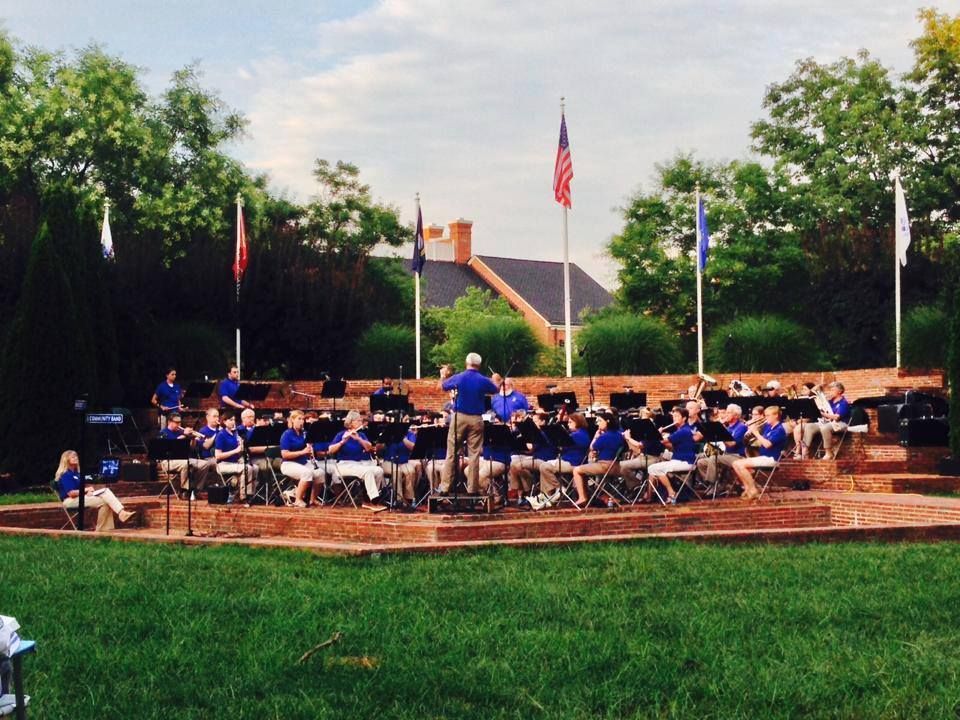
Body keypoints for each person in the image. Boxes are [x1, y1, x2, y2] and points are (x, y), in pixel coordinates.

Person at [438, 354, 499, 495]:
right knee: (474, 455)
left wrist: (442, 375)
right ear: (479, 365)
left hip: (460, 417)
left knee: (451, 452)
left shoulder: (460, 377)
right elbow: (495, 389)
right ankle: (472, 489)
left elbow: (444, 386)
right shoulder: (483, 380)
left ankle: (445, 487)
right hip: (477, 418)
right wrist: (496, 380)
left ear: (467, 363)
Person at [54, 450, 135, 532]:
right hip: (70, 501)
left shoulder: (76, 473)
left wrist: (88, 492)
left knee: (106, 501)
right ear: (66, 460)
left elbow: (80, 489)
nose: (76, 458)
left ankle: (104, 529)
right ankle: (120, 514)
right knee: (106, 492)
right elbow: (71, 493)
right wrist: (86, 490)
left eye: (76, 456)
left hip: (79, 498)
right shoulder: (65, 474)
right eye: (73, 457)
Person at [528, 412, 591, 510]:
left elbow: (565, 447)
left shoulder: (578, 435)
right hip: (568, 460)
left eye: (570, 422)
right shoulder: (579, 434)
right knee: (545, 466)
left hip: (573, 463)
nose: (568, 424)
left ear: (578, 422)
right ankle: (547, 496)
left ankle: (557, 489)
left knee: (544, 466)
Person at [329, 411, 388, 508]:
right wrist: (343, 441)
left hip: (359, 464)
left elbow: (369, 448)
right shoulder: (341, 435)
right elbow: (331, 450)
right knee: (368, 471)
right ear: (351, 422)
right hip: (344, 465)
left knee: (378, 470)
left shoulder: (361, 435)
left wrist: (359, 439)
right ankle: (374, 501)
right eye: (358, 421)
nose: (361, 422)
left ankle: (367, 500)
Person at [731, 405, 788, 499]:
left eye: (768, 415)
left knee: (740, 464)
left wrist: (756, 433)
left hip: (771, 459)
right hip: (763, 457)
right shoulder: (769, 427)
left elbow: (767, 444)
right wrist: (751, 428)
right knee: (735, 464)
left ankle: (753, 489)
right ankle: (747, 488)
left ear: (776, 415)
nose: (766, 418)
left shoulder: (779, 429)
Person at [645, 406, 699, 504]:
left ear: (684, 418)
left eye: (677, 416)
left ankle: (671, 492)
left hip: (685, 461)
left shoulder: (683, 431)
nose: (674, 419)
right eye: (673, 416)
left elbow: (663, 441)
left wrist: (658, 433)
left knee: (655, 468)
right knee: (652, 469)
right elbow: (671, 445)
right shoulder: (680, 431)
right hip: (678, 459)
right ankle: (649, 495)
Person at [571, 412, 624, 508]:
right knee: (585, 470)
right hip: (616, 466)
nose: (598, 423)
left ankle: (582, 497)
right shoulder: (619, 435)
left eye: (600, 421)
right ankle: (601, 496)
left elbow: (592, 447)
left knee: (577, 470)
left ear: (607, 422)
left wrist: (596, 436)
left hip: (605, 466)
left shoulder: (604, 436)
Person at [157, 413, 214, 492]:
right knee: (185, 463)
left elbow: (192, 448)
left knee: (205, 464)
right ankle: (185, 490)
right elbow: (170, 446)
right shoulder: (163, 433)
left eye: (180, 422)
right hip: (168, 461)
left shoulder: (180, 431)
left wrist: (193, 438)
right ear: (169, 422)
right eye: (176, 422)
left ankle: (196, 489)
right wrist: (184, 435)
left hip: (183, 458)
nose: (179, 424)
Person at [279, 410, 325, 507]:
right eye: (299, 419)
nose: (302, 422)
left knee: (320, 473)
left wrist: (310, 451)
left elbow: (307, 451)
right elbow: (285, 455)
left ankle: (312, 499)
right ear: (292, 420)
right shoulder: (286, 434)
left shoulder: (303, 434)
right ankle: (298, 500)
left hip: (302, 462)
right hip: (288, 464)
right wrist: (303, 452)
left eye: (303, 419)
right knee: (306, 473)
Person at [696, 403, 748, 487]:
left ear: (736, 415)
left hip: (737, 456)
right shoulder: (727, 427)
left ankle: (713, 485)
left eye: (728, 413)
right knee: (700, 461)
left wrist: (719, 433)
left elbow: (732, 444)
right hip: (725, 455)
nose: (725, 415)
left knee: (713, 458)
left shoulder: (741, 427)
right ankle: (716, 484)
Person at [508, 412, 555, 503]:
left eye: (535, 421)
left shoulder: (543, 433)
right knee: (514, 465)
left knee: (518, 466)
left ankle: (527, 491)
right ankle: (521, 492)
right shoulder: (535, 433)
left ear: (543, 422)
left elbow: (530, 448)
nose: (532, 424)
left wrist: (520, 443)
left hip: (544, 459)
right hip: (535, 457)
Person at [798, 381, 851, 460]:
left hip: (841, 423)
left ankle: (828, 453)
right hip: (828, 422)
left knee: (825, 428)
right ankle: (805, 451)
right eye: (830, 390)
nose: (831, 392)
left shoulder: (843, 402)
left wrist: (823, 414)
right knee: (809, 426)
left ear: (840, 391)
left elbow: (836, 417)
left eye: (833, 390)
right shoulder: (830, 402)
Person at [618, 408, 665, 494]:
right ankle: (636, 485)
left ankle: (636, 487)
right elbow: (637, 450)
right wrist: (628, 440)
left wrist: (628, 438)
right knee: (623, 465)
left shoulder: (652, 434)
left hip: (652, 458)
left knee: (621, 466)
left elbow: (640, 445)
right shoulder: (644, 433)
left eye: (647, 419)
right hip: (643, 457)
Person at [215, 413, 259, 500]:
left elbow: (239, 452)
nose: (233, 422)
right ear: (224, 421)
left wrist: (242, 446)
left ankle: (251, 493)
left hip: (235, 462)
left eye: (234, 420)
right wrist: (236, 451)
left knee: (255, 467)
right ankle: (243, 496)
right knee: (247, 468)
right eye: (230, 420)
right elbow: (218, 456)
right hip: (223, 464)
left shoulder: (235, 434)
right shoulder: (221, 435)